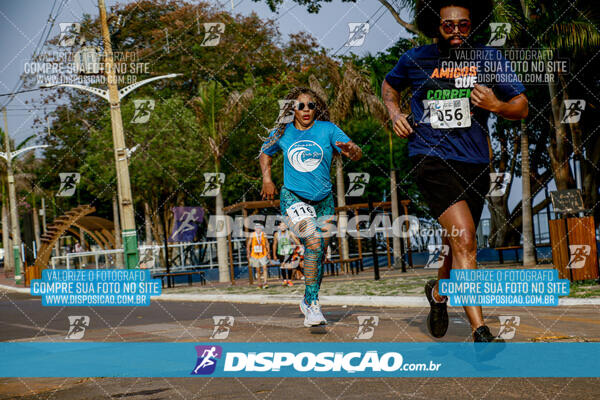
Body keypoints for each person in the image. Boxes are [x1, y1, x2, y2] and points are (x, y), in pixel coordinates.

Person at [382, 0, 528, 342]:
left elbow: (521, 106)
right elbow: (390, 87)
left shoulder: (489, 60)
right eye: (450, 25)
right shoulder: (415, 59)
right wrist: (394, 114)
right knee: (464, 238)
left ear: (472, 25)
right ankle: (480, 330)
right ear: (437, 27)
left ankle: (438, 294)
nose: (458, 31)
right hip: (429, 157)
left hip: (475, 161)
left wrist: (496, 105)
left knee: (457, 245)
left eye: (464, 24)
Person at [260, 87, 362, 327]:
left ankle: (307, 299)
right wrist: (267, 178)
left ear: (317, 109)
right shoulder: (283, 133)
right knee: (314, 243)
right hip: (294, 197)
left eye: (311, 106)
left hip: (325, 201)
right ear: (292, 109)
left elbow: (356, 152)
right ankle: (314, 305)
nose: (306, 110)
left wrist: (352, 151)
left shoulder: (328, 129)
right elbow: (265, 153)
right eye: (300, 105)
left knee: (318, 254)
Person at [246, 224, 270, 289]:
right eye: (257, 228)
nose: (258, 229)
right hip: (255, 254)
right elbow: (248, 245)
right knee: (258, 270)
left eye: (259, 228)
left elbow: (267, 243)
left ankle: (265, 282)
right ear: (255, 229)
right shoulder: (252, 235)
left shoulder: (264, 234)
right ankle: (259, 283)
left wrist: (268, 253)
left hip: (263, 253)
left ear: (261, 229)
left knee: (265, 268)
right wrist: (248, 253)